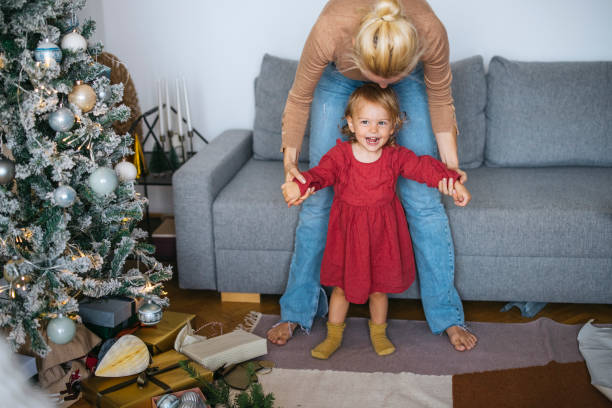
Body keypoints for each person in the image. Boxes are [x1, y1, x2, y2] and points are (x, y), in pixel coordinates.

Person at [268, 0, 478, 351]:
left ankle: (448, 317)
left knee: (425, 201)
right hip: (340, 76)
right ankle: (296, 311)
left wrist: (450, 168)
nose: (381, 85)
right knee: (317, 200)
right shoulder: (333, 26)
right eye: (377, 76)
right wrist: (291, 165)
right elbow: (300, 96)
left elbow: (440, 96)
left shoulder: (429, 30)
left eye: (389, 79)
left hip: (409, 74)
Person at [281, 84, 471, 359]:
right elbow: (320, 174)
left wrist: (453, 182)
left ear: (393, 126)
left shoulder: (395, 157)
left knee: (379, 289)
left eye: (381, 123)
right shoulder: (341, 156)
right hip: (348, 236)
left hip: (383, 236)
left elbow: (424, 168)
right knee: (342, 289)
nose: (373, 130)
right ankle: (333, 336)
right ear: (351, 123)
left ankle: (378, 333)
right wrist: (300, 185)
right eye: (366, 122)